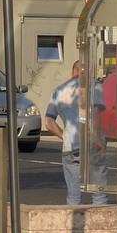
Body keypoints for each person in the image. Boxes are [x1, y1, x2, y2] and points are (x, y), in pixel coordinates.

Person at [44, 60, 107, 205]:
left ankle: (75, 225)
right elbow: (95, 114)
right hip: (92, 145)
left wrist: (64, 136)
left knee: (73, 197)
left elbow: (48, 122)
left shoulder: (58, 91)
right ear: (89, 72)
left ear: (73, 72)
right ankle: (98, 227)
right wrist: (97, 140)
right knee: (99, 195)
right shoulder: (94, 86)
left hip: (70, 149)